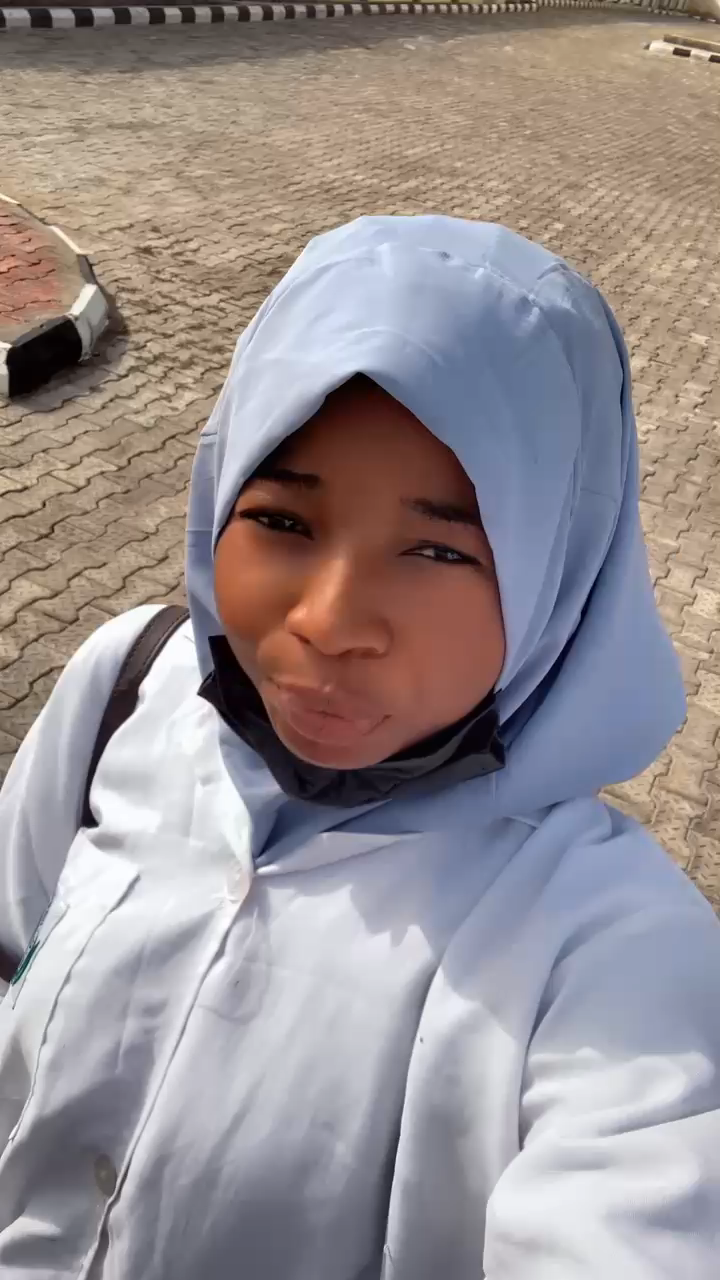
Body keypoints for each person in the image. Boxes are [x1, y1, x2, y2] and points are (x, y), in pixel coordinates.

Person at [0, 215, 718, 1279]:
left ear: (557, 578)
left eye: (438, 550)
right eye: (284, 521)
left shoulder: (613, 954)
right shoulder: (130, 687)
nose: (330, 622)